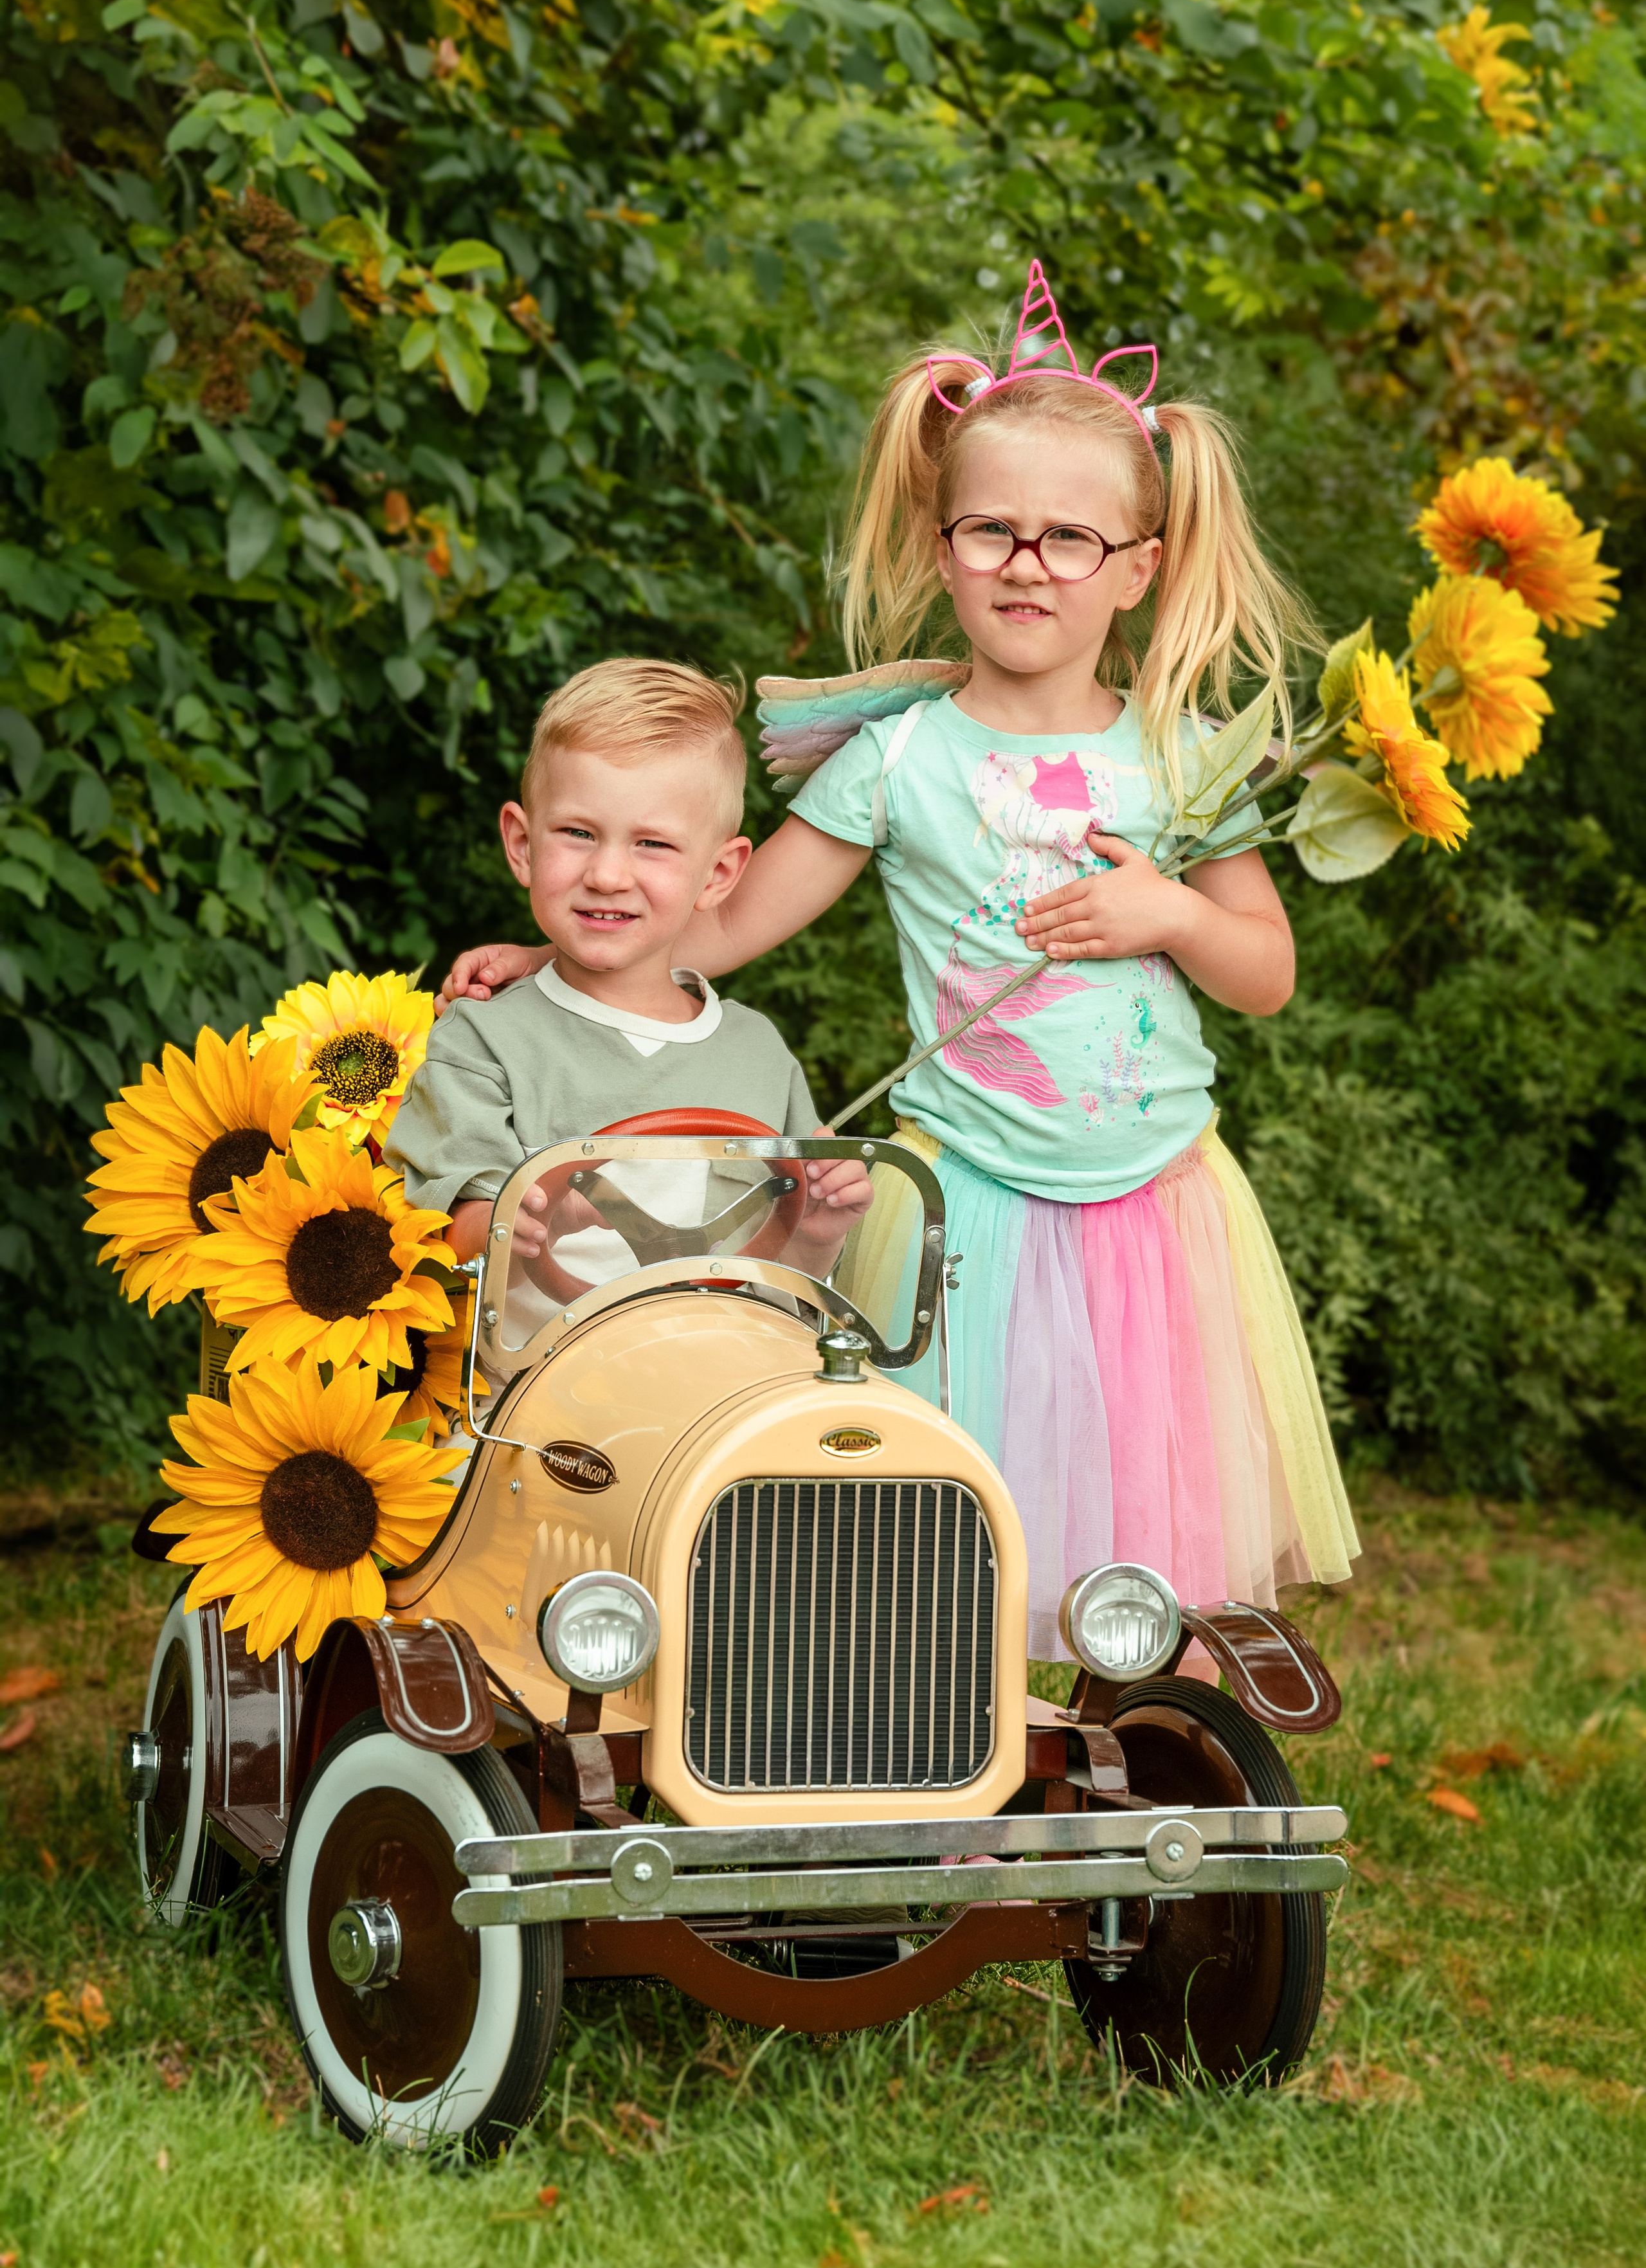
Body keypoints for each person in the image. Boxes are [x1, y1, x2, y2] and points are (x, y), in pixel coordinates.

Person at [436, 264, 1359, 1659]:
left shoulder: (1179, 749)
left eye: (1066, 537)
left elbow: (1263, 968)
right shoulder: (900, 755)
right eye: (989, 529)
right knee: (928, 1528)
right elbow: (732, 921)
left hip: (1152, 1206)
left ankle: (1110, 1764)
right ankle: (940, 1766)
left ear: (1138, 564)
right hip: (965, 1211)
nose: (1024, 563)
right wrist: (575, 931)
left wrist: (1167, 916)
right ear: (941, 547)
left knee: (1136, 1544)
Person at [383, 658, 870, 1290]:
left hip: (725, 1371)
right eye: (579, 833)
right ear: (522, 844)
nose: (608, 874)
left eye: (652, 843)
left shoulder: (760, 1056)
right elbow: (445, 1241)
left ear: (719, 874)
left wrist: (818, 1230)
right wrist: (523, 1216)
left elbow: (780, 1280)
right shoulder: (481, 1040)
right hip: (544, 1381)